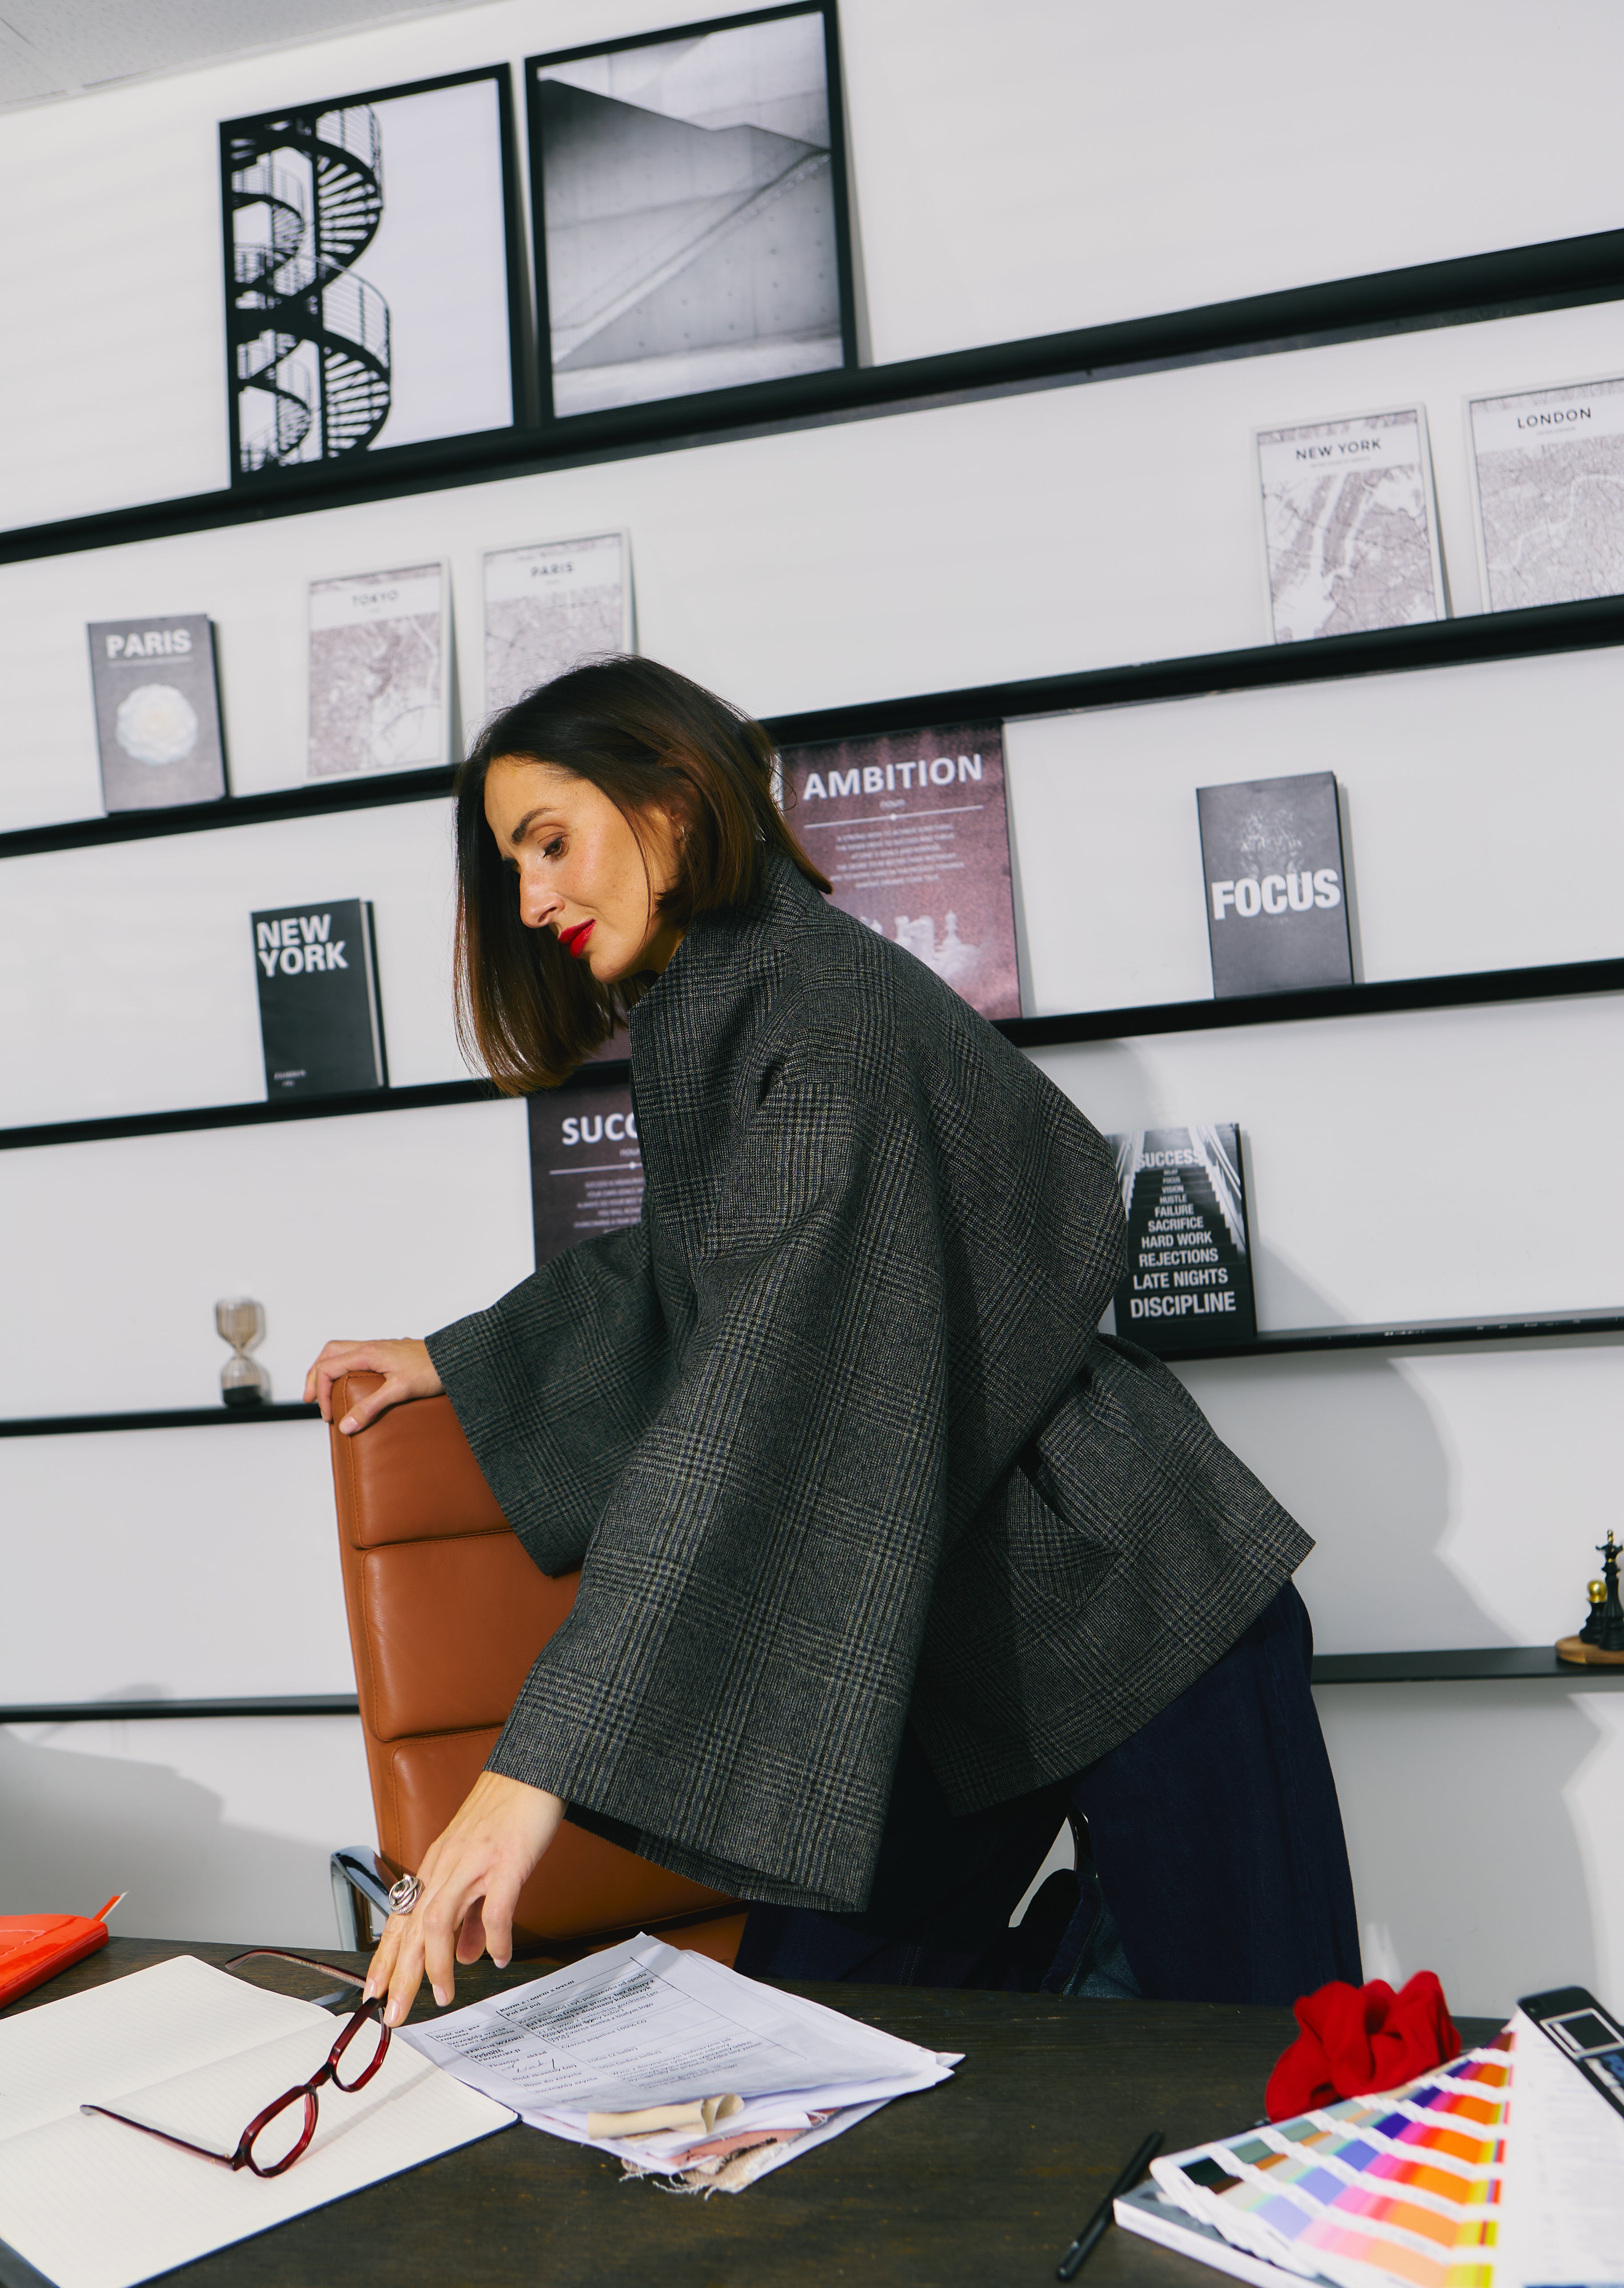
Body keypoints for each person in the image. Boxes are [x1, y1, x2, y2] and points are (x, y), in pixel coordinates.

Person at [305, 657, 1360, 2028]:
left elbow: (751, 1396)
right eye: (514, 867)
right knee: (810, 2019)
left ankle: (1117, 1984)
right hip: (960, 1638)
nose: (531, 900)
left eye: (550, 844)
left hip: (1135, 1601)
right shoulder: (725, 1005)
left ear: (674, 804)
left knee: (1266, 2053)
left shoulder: (823, 1025)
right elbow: (694, 1267)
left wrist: (530, 1772)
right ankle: (1095, 1973)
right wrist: (458, 1358)